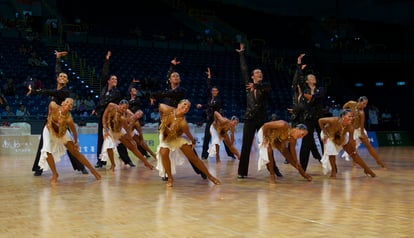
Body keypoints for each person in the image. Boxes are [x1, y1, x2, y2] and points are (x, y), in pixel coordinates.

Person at [27, 50, 88, 176]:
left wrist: (34, 91)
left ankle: (81, 167)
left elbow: (49, 92)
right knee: (44, 145)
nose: (62, 77)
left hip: (62, 123)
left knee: (69, 145)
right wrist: (58, 59)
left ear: (67, 81)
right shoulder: (57, 87)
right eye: (61, 76)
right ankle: (39, 168)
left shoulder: (65, 92)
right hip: (50, 122)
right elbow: (57, 71)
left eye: (65, 77)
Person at [150, 57, 207, 180]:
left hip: (177, 125)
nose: (176, 77)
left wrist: (154, 94)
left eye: (177, 76)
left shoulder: (181, 91)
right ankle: (165, 173)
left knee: (189, 149)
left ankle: (201, 170)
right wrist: (172, 66)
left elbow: (168, 94)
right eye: (173, 76)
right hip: (165, 125)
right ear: (170, 79)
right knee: (164, 150)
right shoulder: (166, 90)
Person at [156, 100, 220, 187]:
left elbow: (188, 134)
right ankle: (170, 178)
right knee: (163, 153)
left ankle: (210, 177)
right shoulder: (168, 110)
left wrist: (193, 141)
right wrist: (161, 118)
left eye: (188, 107)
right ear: (178, 105)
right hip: (165, 138)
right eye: (184, 104)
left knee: (193, 158)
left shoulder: (183, 123)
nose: (186, 107)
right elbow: (160, 106)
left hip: (176, 138)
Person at [38, 98, 101, 184]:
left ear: (71, 108)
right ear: (63, 103)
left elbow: (74, 132)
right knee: (46, 151)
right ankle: (55, 174)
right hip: (49, 130)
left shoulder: (69, 119)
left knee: (76, 152)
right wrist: (49, 114)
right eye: (67, 102)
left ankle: (94, 171)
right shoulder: (54, 106)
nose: (68, 104)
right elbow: (51, 104)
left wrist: (76, 143)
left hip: (62, 132)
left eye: (71, 104)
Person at [92, 51, 135, 168]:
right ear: (109, 81)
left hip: (113, 118)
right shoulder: (104, 89)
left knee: (119, 138)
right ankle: (101, 161)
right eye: (113, 79)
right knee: (102, 139)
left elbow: (113, 105)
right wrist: (107, 60)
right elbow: (101, 101)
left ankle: (127, 160)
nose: (115, 80)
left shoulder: (117, 92)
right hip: (103, 116)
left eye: (116, 79)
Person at [236, 42, 272, 179]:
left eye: (260, 72)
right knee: (246, 146)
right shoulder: (248, 86)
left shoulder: (264, 86)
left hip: (262, 119)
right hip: (249, 118)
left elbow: (266, 88)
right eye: (257, 72)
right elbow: (244, 69)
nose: (259, 74)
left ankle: (273, 170)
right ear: (252, 76)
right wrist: (241, 55)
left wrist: (257, 86)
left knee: (266, 145)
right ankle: (242, 172)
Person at [318, 109, 376, 178]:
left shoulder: (350, 127)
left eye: (352, 116)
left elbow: (351, 141)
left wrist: (354, 150)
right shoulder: (334, 120)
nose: (351, 118)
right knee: (331, 151)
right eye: (349, 116)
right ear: (343, 116)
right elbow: (320, 121)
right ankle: (334, 171)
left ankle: (367, 169)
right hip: (328, 135)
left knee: (354, 154)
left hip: (341, 136)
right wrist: (325, 133)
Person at [99, 100, 155, 172]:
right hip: (107, 128)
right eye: (123, 107)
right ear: (119, 105)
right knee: (109, 146)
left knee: (132, 147)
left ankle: (146, 163)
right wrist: (105, 129)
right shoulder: (111, 106)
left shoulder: (123, 118)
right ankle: (113, 165)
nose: (124, 110)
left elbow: (127, 131)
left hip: (118, 130)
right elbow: (104, 117)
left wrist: (131, 140)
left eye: (126, 109)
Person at [196, 67, 236, 160]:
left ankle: (231, 154)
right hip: (210, 120)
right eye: (212, 91)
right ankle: (204, 155)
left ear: (218, 92)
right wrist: (209, 77)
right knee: (206, 137)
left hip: (218, 122)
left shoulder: (219, 99)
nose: (214, 92)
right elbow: (208, 88)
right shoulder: (210, 98)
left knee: (224, 137)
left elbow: (212, 106)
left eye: (215, 91)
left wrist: (202, 106)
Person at [294, 54, 325, 172]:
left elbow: (317, 97)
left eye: (314, 76)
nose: (314, 78)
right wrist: (298, 64)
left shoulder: (321, 89)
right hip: (308, 118)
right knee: (306, 142)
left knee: (323, 140)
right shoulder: (305, 89)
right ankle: (302, 167)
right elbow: (299, 79)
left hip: (319, 118)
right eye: (311, 77)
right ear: (307, 81)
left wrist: (309, 97)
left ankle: (328, 163)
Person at [342, 96, 385, 168]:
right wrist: (346, 114)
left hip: (359, 130)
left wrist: (362, 134)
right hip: (352, 130)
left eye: (366, 104)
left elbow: (362, 126)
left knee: (369, 146)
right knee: (353, 148)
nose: (365, 106)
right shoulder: (351, 103)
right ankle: (354, 163)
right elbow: (344, 107)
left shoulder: (362, 113)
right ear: (359, 101)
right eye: (364, 103)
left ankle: (378, 161)